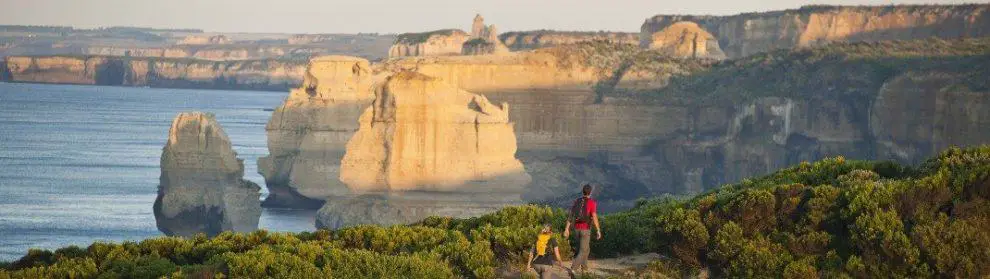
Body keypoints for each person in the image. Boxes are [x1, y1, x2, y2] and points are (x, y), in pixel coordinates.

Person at [564, 183, 601, 274]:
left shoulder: (576, 201)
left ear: (583, 192)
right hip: (585, 229)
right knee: (583, 250)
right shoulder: (592, 202)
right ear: (590, 192)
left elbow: (571, 215)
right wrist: (598, 230)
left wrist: (566, 229)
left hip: (576, 229)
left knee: (584, 249)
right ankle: (573, 268)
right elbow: (594, 216)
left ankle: (584, 268)